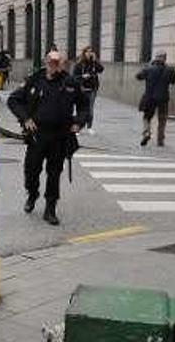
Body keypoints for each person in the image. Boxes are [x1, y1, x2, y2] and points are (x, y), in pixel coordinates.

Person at [8, 51, 89, 226]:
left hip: (60, 136)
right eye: (51, 61)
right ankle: (32, 193)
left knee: (54, 173)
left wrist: (79, 122)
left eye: (58, 61)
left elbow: (84, 106)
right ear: (46, 61)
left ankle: (50, 208)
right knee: (31, 170)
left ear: (64, 63)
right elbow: (13, 100)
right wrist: (25, 118)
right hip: (37, 136)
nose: (54, 64)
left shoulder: (71, 83)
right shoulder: (34, 80)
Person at [136, 51, 175, 147]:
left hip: (150, 97)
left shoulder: (148, 68)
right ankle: (160, 139)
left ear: (155, 58)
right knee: (162, 119)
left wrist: (148, 66)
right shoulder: (170, 69)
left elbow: (138, 76)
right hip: (163, 98)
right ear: (165, 59)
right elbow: (174, 81)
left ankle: (146, 133)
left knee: (147, 117)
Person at [72, 47, 104, 135]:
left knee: (90, 109)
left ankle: (89, 127)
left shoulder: (93, 63)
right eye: (88, 52)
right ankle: (78, 127)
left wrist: (95, 60)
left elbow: (101, 69)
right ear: (84, 53)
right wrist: (82, 76)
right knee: (80, 109)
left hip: (92, 89)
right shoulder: (79, 64)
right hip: (81, 89)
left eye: (91, 52)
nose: (90, 53)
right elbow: (74, 77)